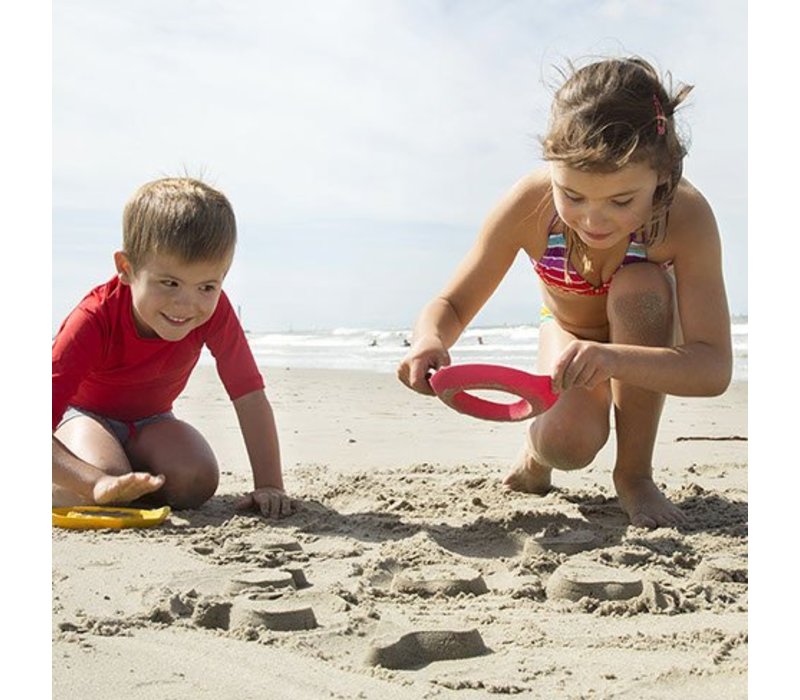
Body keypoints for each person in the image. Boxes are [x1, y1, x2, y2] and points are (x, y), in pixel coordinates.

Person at [397, 57, 732, 529]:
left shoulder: (686, 217)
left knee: (640, 287)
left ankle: (634, 475)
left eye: (621, 201)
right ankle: (537, 459)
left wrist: (615, 358)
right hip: (568, 330)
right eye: (572, 195)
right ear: (551, 165)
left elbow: (712, 367)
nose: (594, 221)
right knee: (566, 444)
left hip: (643, 330)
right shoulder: (528, 204)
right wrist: (430, 339)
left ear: (662, 175)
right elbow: (451, 304)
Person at [52, 177, 292, 518]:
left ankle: (118, 467)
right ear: (126, 269)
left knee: (196, 480)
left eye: (207, 286)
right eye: (169, 283)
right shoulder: (93, 318)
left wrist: (269, 483)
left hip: (151, 422)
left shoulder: (215, 310)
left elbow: (249, 395)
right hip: (85, 417)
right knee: (108, 482)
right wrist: (93, 482)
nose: (186, 304)